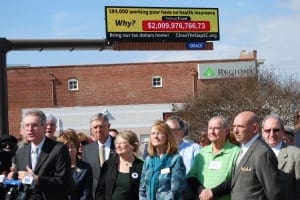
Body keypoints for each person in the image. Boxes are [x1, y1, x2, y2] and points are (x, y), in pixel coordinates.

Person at [200, 111, 281, 200]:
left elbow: (274, 193)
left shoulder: (262, 153)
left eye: (240, 126)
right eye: (234, 126)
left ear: (254, 128)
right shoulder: (244, 149)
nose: (235, 130)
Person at [9, 110, 72, 199]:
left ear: (44, 127)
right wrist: (12, 177)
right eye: (27, 125)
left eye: (34, 125)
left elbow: (63, 182)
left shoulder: (59, 149)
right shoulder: (21, 153)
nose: (30, 129)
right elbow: (20, 182)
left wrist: (37, 179)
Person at [187, 116, 240, 200]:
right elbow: (191, 177)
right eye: (210, 128)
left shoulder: (236, 152)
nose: (212, 132)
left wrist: (213, 192)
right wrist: (201, 191)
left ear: (226, 131)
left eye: (216, 128)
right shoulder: (201, 153)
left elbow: (237, 179)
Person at [139, 120, 186, 200]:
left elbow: (176, 190)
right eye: (153, 133)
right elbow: (142, 189)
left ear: (167, 136)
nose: (155, 136)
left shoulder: (175, 159)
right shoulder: (148, 160)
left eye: (159, 133)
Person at [95, 130, 143, 200]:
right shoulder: (108, 164)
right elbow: (100, 190)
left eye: (122, 143)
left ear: (133, 146)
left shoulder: (141, 166)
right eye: (116, 143)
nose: (118, 146)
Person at [261, 114, 300, 199]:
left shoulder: (296, 154)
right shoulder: (255, 153)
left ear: (282, 131)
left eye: (276, 130)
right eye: (268, 130)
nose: (272, 134)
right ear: (262, 132)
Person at [82, 113, 116, 199]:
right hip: (95, 196)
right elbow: (86, 176)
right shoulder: (87, 150)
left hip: (115, 193)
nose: (98, 130)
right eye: (95, 127)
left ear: (108, 126)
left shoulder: (118, 146)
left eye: (101, 126)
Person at [57, 129, 93, 200]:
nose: (70, 150)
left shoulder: (85, 168)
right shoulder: (56, 168)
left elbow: (86, 195)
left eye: (72, 146)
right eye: (66, 147)